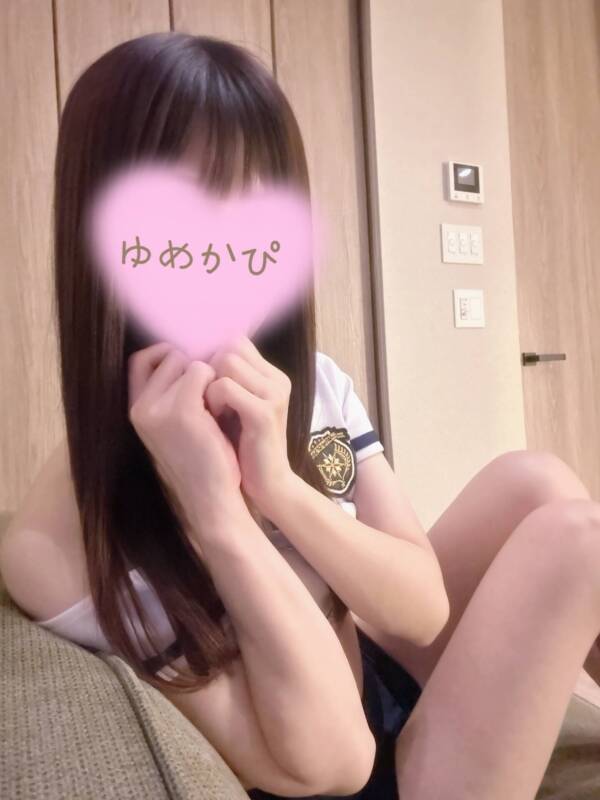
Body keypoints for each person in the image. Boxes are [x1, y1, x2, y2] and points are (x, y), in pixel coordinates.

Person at [0, 31, 599, 800]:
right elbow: (331, 763)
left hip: (377, 679)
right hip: (367, 773)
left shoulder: (305, 382)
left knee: (536, 481)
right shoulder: (64, 539)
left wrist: (280, 488)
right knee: (582, 544)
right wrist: (218, 511)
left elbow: (420, 611)